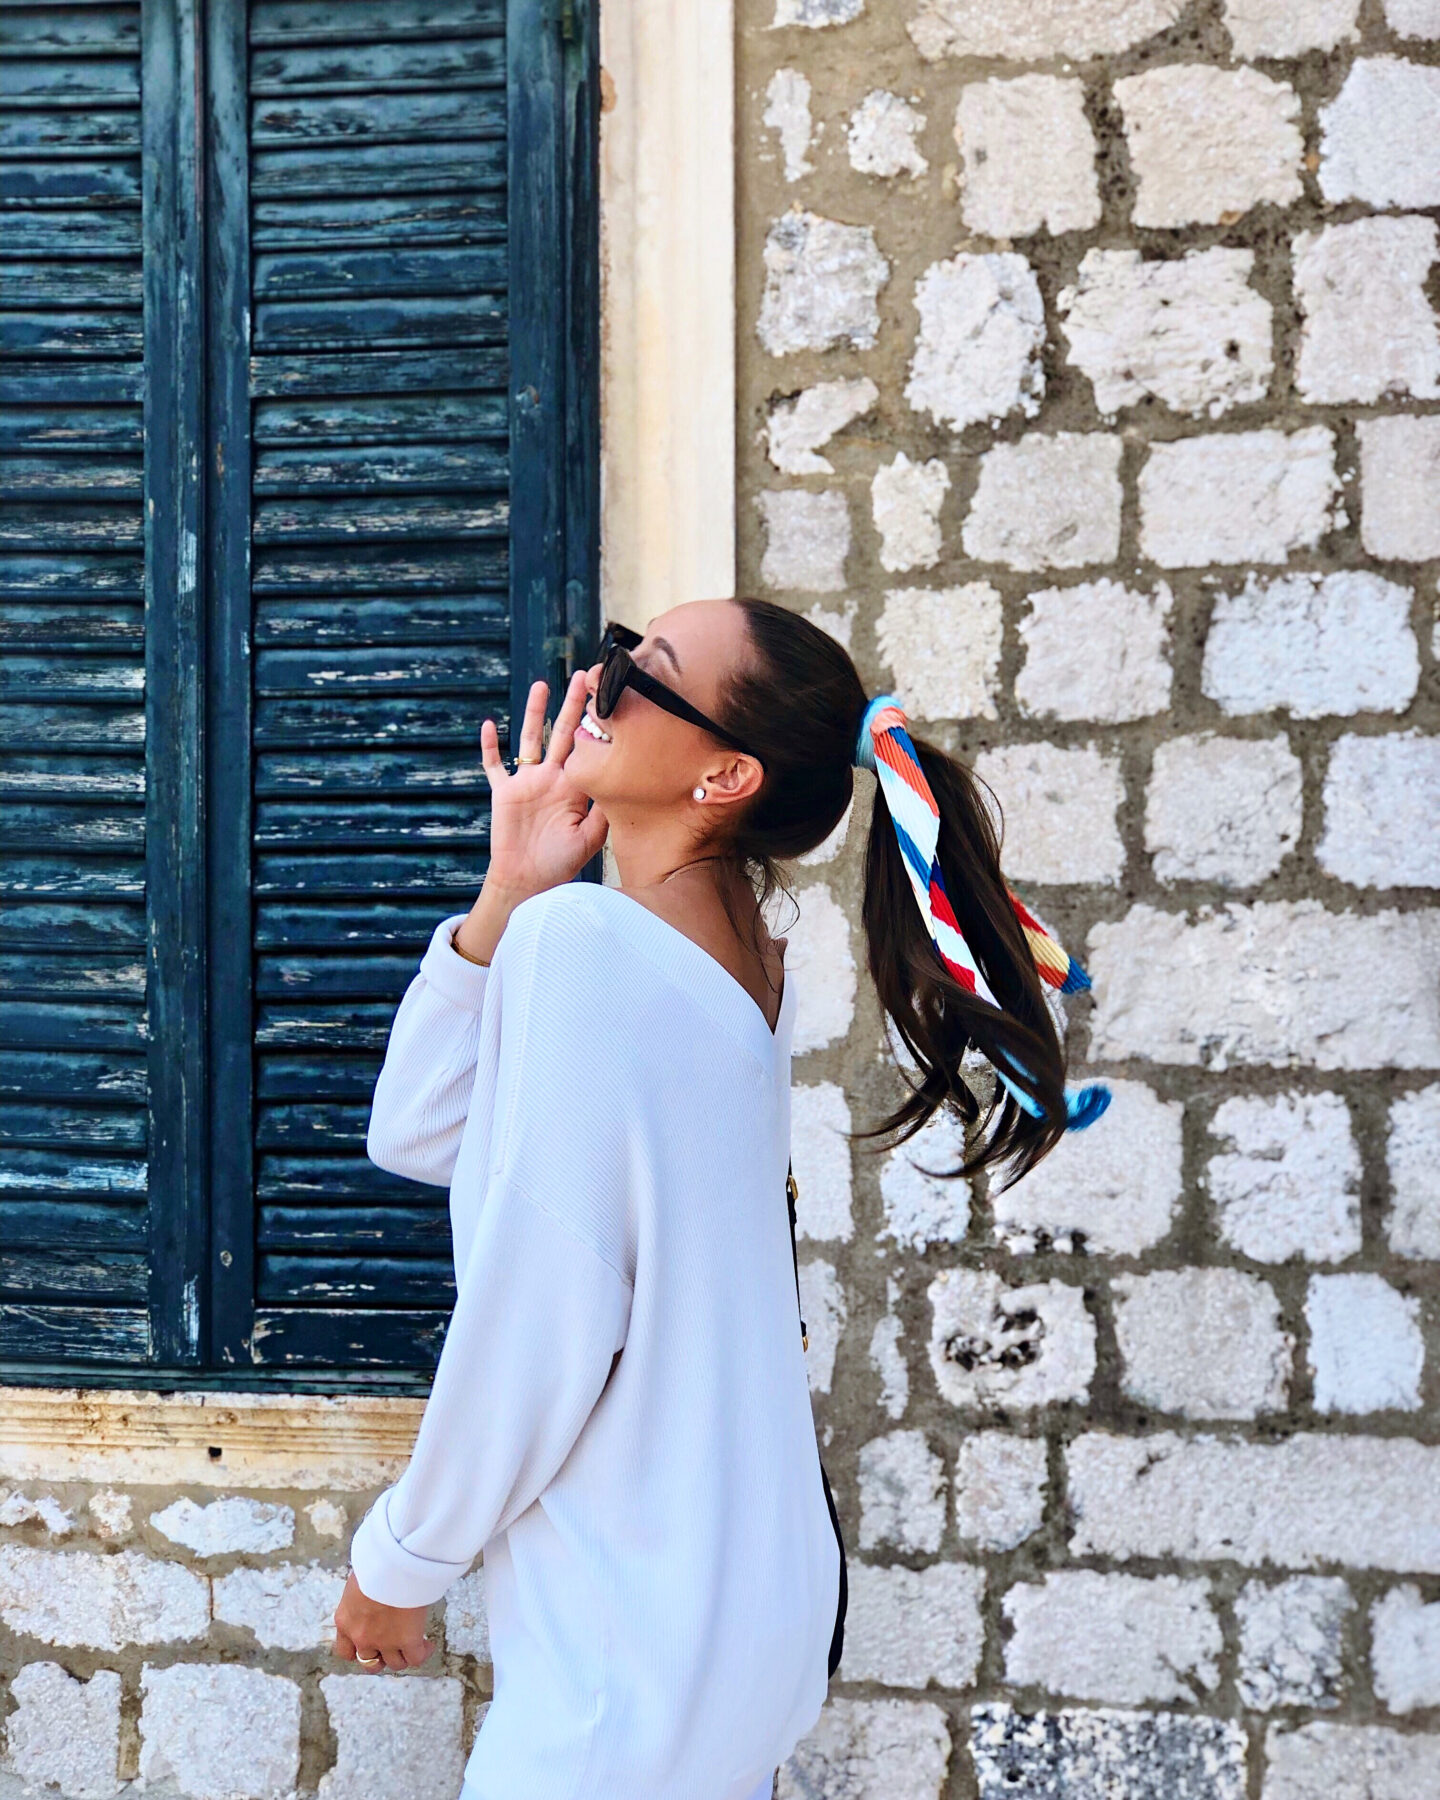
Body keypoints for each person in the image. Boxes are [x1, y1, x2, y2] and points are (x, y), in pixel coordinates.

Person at [329, 597, 1106, 1800]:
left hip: (630, 1650)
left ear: (727, 773)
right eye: (614, 647)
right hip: (742, 1623)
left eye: (646, 673)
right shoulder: (741, 965)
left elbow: (540, 1313)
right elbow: (429, 1132)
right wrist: (506, 895)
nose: (600, 680)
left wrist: (405, 1556)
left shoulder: (589, 948)